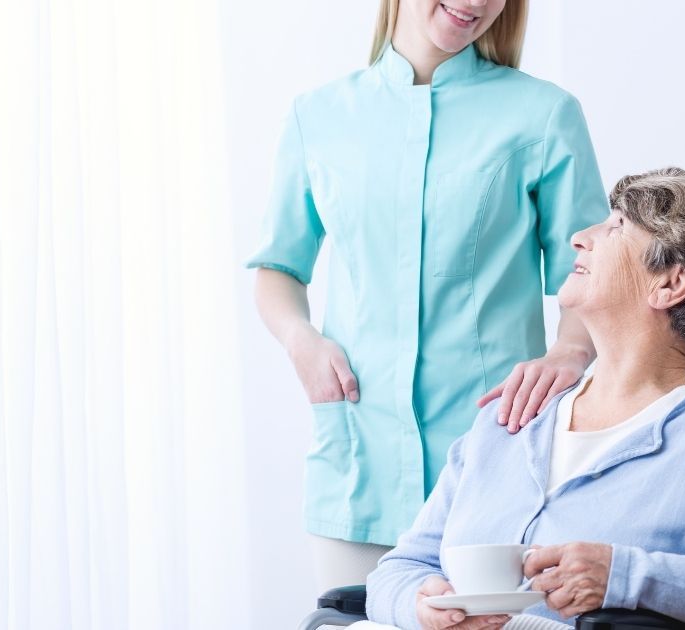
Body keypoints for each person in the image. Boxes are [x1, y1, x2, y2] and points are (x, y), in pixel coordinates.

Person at [365, 168, 685, 629]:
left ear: (671, 283)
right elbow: (403, 568)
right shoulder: (514, 417)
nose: (579, 238)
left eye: (617, 225)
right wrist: (419, 605)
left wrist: (628, 576)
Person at [247, 0, 608, 590]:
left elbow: (590, 275)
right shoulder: (318, 116)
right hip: (358, 459)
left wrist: (569, 354)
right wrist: (300, 341)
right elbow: (277, 269)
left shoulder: (544, 116)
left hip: (495, 460)